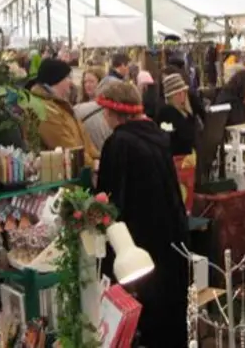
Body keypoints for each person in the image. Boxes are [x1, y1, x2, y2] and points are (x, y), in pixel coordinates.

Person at [96, 81, 189, 348]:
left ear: (115, 113)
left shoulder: (119, 143)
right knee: (168, 309)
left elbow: (110, 201)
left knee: (145, 312)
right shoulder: (156, 135)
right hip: (169, 235)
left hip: (139, 241)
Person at [30, 58, 99, 167]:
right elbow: (64, 145)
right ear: (56, 80)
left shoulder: (61, 105)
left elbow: (84, 138)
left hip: (80, 167)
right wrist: (91, 165)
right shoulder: (45, 109)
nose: (71, 82)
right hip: (66, 173)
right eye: (67, 77)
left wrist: (97, 158)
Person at [156, 73, 197, 155]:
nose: (184, 95)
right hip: (177, 158)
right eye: (180, 93)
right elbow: (179, 135)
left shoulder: (184, 112)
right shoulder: (166, 113)